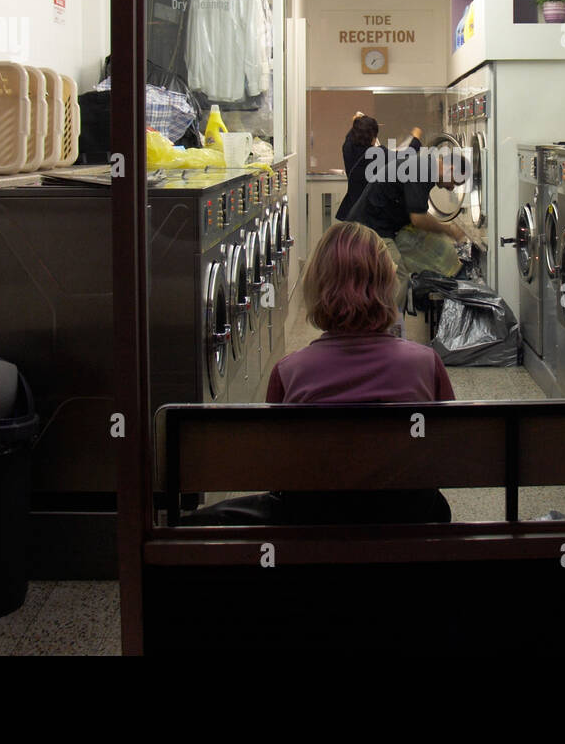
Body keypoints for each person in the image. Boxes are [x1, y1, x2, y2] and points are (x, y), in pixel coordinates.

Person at [183, 221, 455, 525]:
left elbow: (277, 469)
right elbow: (447, 454)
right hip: (407, 524)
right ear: (387, 285)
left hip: (312, 529)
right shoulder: (426, 364)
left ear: (318, 285)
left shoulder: (289, 373)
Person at [344, 128, 467, 313]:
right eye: (454, 184)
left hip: (380, 225)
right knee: (397, 275)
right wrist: (449, 230)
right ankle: (388, 329)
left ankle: (384, 324)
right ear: (451, 169)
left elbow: (417, 214)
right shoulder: (422, 168)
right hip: (369, 228)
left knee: (392, 274)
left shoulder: (426, 167)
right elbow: (418, 219)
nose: (451, 189)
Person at [335, 112, 380, 221]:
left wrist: (358, 123)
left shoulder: (348, 148)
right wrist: (415, 138)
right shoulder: (375, 155)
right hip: (370, 210)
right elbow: (405, 155)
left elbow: (350, 137)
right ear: (373, 137)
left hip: (351, 207)